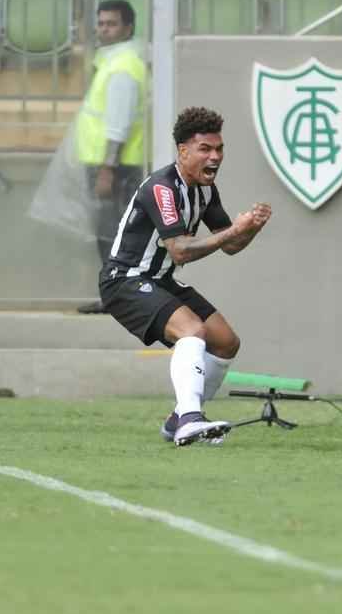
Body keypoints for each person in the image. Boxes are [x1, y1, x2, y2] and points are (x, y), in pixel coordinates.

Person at [100, 106, 272, 446]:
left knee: (225, 342)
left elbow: (230, 246)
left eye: (219, 149)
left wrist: (250, 228)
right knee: (192, 331)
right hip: (125, 280)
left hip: (160, 279)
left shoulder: (206, 190)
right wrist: (233, 231)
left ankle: (177, 419)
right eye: (205, 149)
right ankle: (191, 420)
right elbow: (180, 250)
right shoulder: (162, 188)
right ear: (182, 151)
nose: (215, 157)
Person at [75, 0, 149, 314]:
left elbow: (119, 123)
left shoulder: (122, 67)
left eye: (112, 24)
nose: (104, 29)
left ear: (128, 28)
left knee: (112, 234)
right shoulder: (114, 61)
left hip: (116, 166)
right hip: (109, 163)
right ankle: (118, 296)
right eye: (101, 23)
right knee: (111, 233)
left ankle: (119, 298)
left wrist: (108, 168)